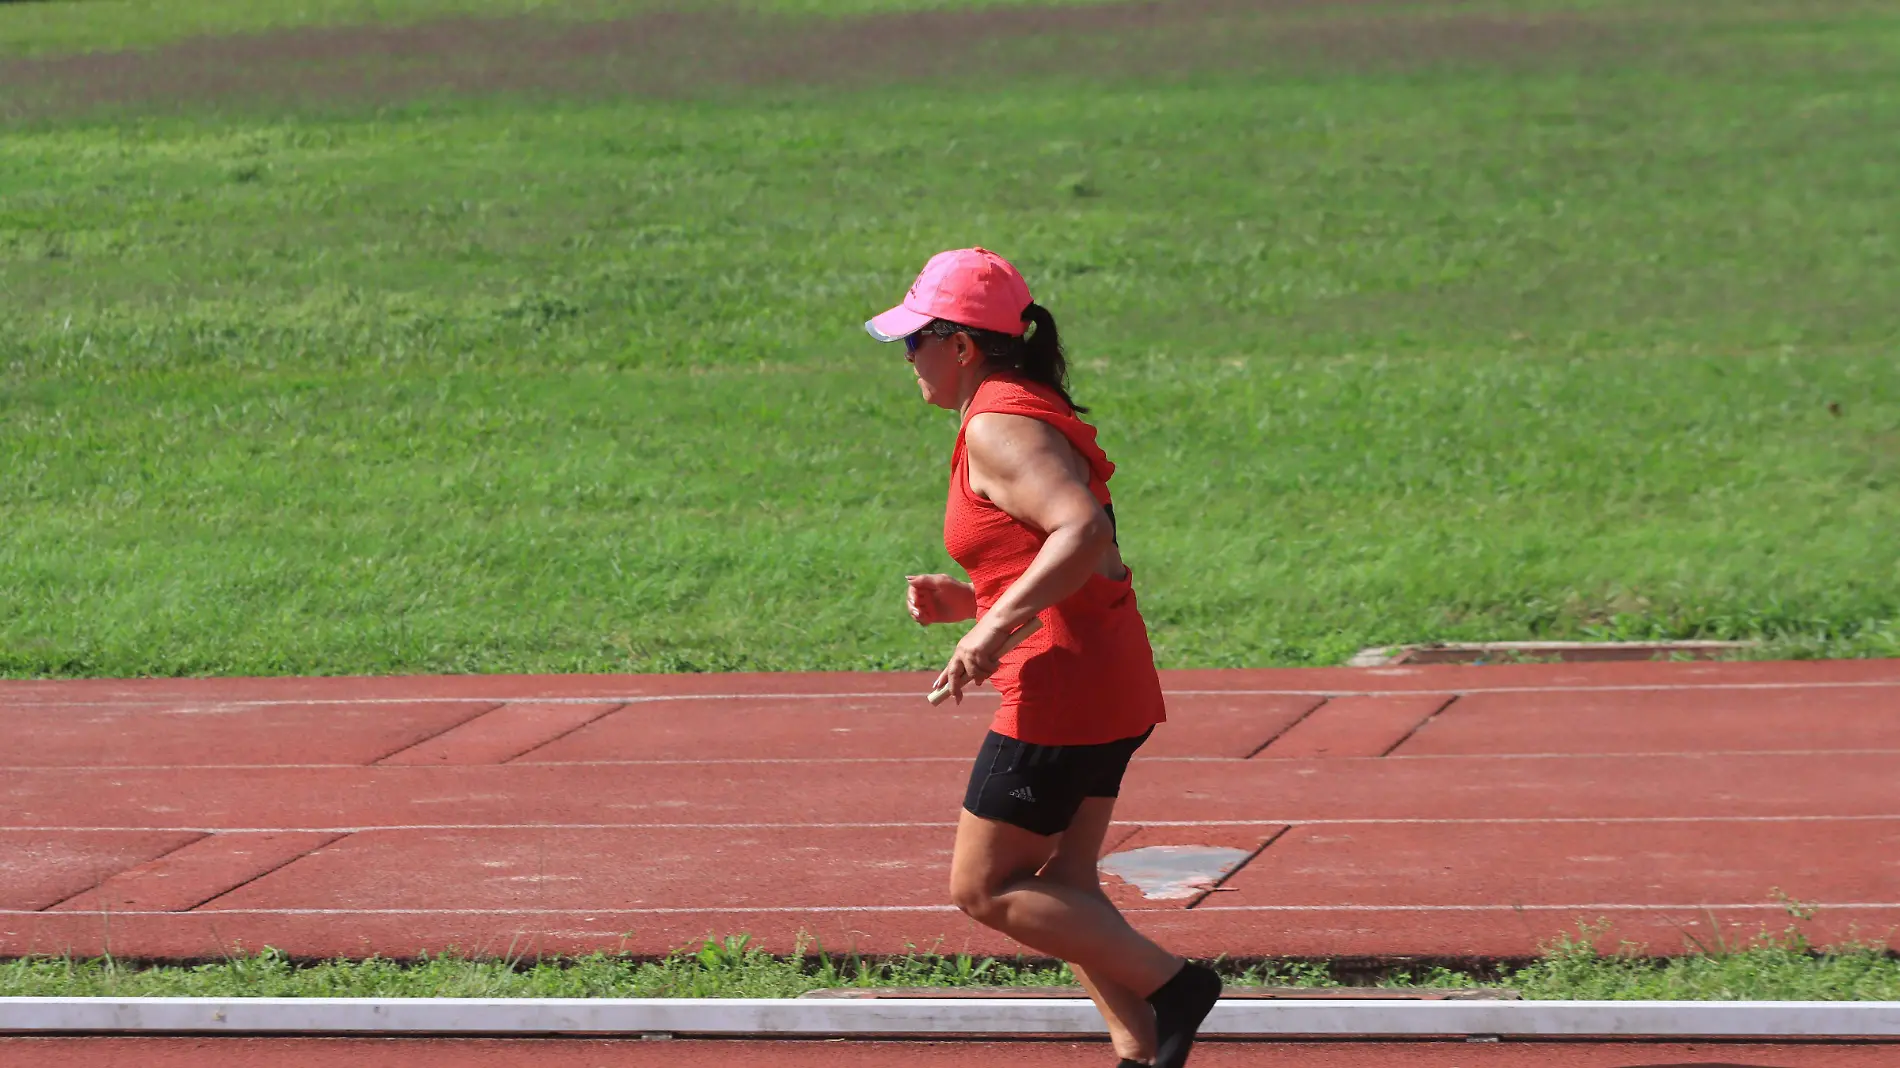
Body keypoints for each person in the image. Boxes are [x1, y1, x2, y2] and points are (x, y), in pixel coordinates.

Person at [866, 248, 1222, 1068]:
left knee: (986, 888)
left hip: (1060, 682)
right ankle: (1141, 1054)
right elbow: (1069, 555)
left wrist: (991, 632)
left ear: (959, 345)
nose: (905, 358)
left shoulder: (998, 423)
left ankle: (1177, 988)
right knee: (1065, 887)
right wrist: (971, 601)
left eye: (912, 341)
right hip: (1103, 670)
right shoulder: (1016, 402)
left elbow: (1083, 531)